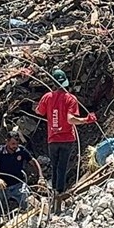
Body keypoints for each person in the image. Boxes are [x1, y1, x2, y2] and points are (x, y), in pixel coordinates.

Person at [35, 69, 95, 213]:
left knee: (55, 167)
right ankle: (59, 195)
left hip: (52, 139)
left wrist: (50, 109)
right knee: (62, 167)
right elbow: (70, 119)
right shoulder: (70, 98)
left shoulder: (47, 97)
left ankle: (54, 193)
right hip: (67, 138)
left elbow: (38, 111)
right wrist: (86, 120)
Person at [0, 130, 42, 224]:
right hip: (3, 186)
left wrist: (40, 177)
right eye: (12, 143)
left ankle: (32, 222)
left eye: (16, 143)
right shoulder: (0, 152)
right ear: (7, 141)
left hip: (18, 184)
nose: (15, 146)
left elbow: (33, 162)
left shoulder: (21, 151)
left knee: (28, 202)